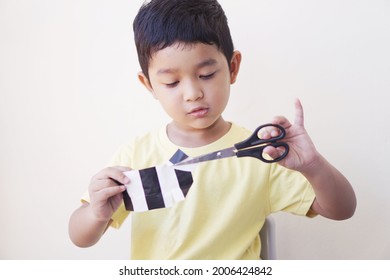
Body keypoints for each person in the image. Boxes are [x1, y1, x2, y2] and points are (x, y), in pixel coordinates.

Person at [68, 0, 356, 259]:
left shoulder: (262, 153)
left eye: (206, 75)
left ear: (232, 67)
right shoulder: (136, 155)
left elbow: (341, 209)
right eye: (171, 83)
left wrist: (314, 166)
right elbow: (80, 238)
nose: (192, 93)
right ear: (149, 85)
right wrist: (96, 213)